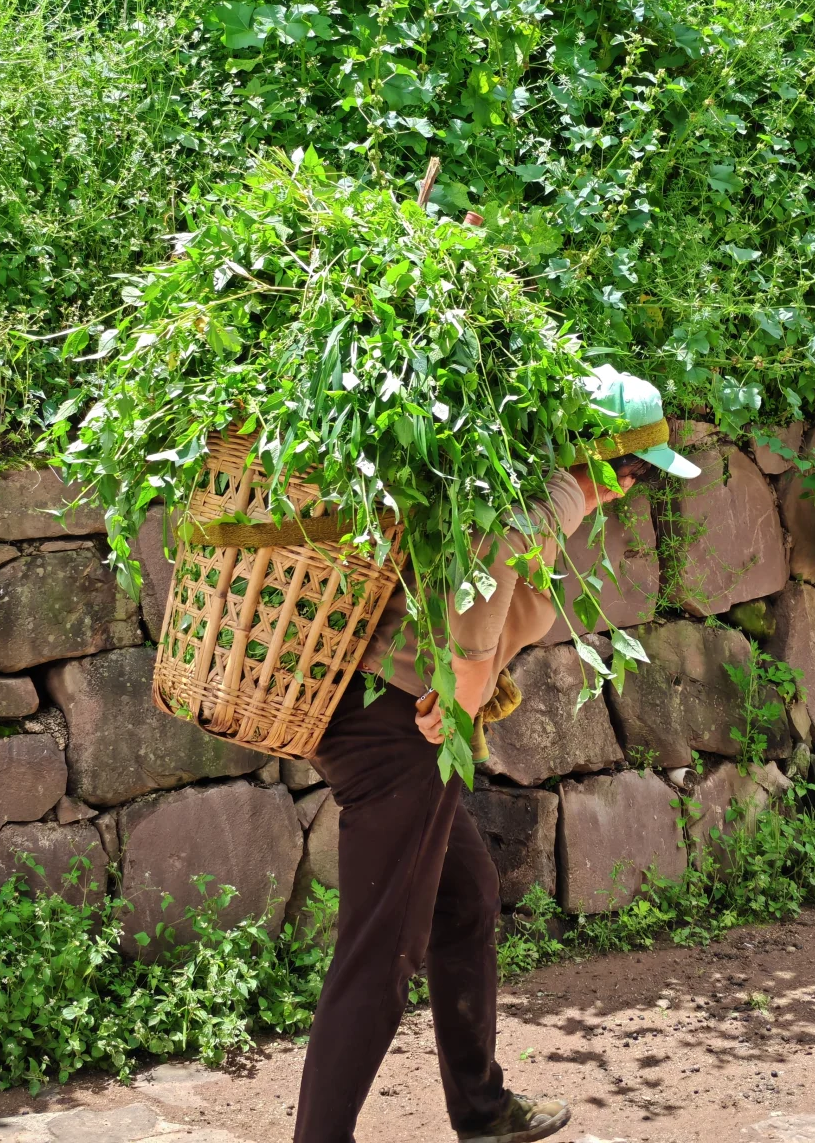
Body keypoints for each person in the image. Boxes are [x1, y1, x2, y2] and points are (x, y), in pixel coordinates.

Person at [293, 368, 700, 1143]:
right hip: (398, 725)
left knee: (466, 895)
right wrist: (468, 683)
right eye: (635, 471)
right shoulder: (553, 492)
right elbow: (491, 557)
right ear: (609, 461)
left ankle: (481, 1111)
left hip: (374, 711)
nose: (630, 489)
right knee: (380, 953)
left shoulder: (512, 476)